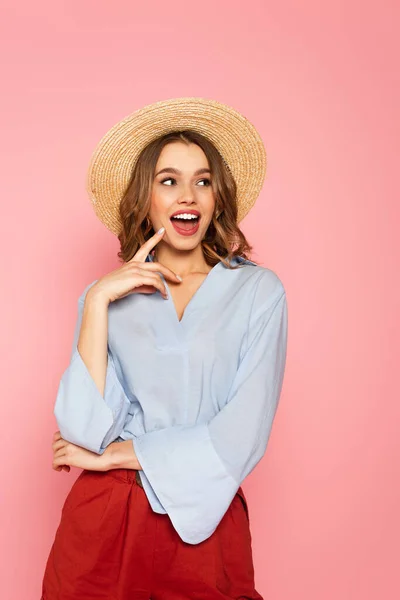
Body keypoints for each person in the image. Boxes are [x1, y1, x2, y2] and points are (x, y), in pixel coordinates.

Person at [41, 97, 288, 600]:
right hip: (103, 521)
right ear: (145, 196)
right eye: (169, 180)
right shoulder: (107, 297)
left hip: (204, 518)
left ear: (218, 195)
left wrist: (115, 458)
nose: (188, 196)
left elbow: (243, 434)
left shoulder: (258, 292)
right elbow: (82, 431)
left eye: (202, 180)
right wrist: (99, 300)